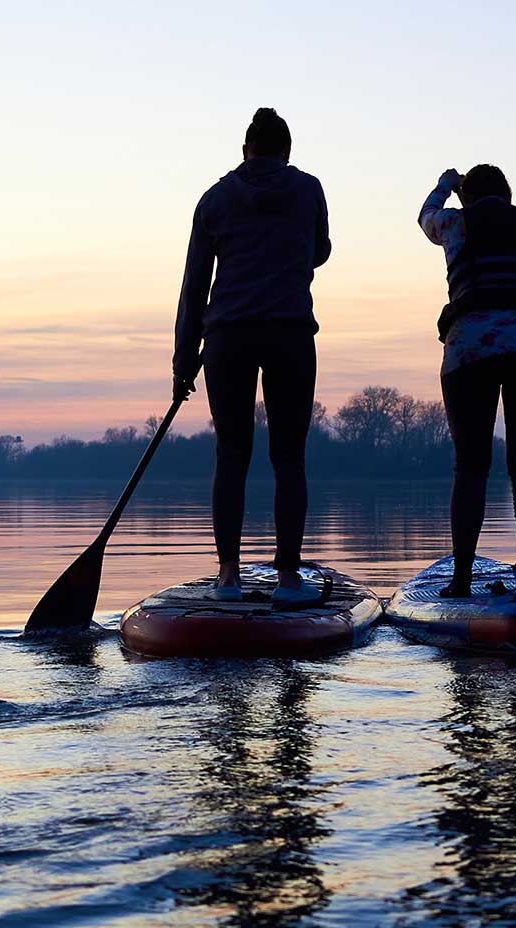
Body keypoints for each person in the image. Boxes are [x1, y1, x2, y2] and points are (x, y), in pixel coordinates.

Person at [174, 107, 331, 604]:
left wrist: (183, 359)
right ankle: (287, 578)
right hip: (289, 334)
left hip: (227, 338)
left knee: (231, 454)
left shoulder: (215, 199)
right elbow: (321, 251)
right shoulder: (308, 190)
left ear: (246, 151)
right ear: (285, 152)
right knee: (289, 458)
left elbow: (194, 284)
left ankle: (228, 576)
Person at [419, 163, 516, 597]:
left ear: (468, 197)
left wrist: (445, 185)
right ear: (509, 196)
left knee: (471, 467)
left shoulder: (455, 223)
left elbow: (425, 216)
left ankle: (461, 580)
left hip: (471, 351)